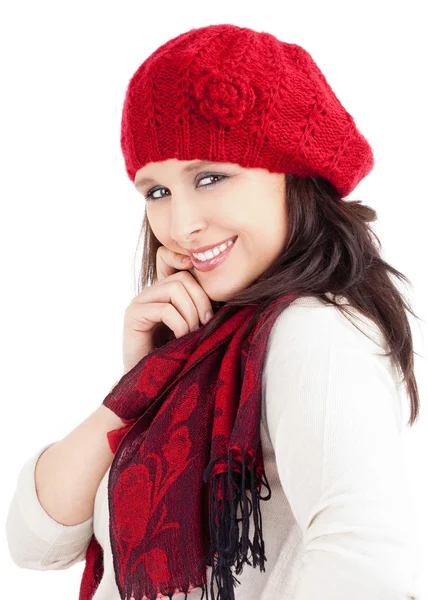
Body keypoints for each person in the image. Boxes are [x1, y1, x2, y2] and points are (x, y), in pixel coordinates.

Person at [5, 23, 421, 600]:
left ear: (293, 172)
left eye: (210, 177)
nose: (180, 225)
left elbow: (365, 564)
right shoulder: (209, 346)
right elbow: (35, 542)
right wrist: (142, 382)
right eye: (157, 191)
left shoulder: (313, 331)